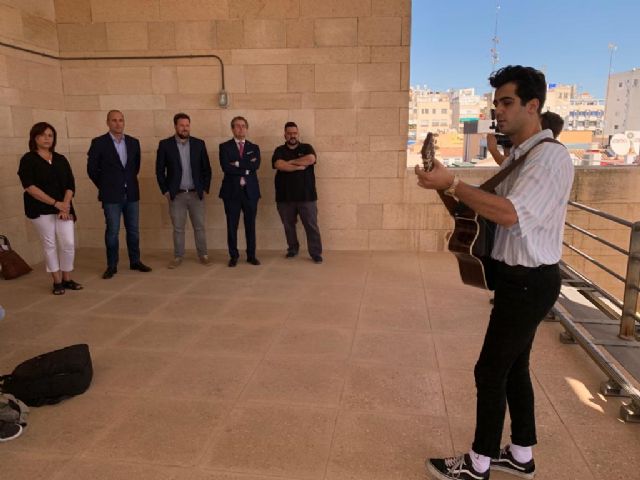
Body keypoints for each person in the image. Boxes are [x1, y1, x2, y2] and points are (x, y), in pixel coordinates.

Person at [416, 65, 574, 480]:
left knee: (489, 370)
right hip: (516, 278)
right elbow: (478, 209)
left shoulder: (549, 158)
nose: (497, 111)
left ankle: (478, 463)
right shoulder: (522, 156)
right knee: (514, 367)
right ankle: (520, 455)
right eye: (496, 104)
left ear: (533, 106)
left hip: (529, 281)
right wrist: (442, 185)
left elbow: (508, 214)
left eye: (507, 102)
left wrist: (454, 183)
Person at [17, 122, 83, 295]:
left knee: (68, 243)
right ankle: (57, 281)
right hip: (40, 209)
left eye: (50, 135)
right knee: (50, 244)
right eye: (43, 135)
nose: (47, 138)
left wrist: (64, 205)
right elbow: (30, 187)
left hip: (64, 209)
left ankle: (67, 278)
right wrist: (55, 203)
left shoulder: (61, 159)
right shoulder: (28, 159)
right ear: (34, 138)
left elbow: (70, 184)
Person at [87, 110, 152, 279]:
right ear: (108, 122)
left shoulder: (133, 142)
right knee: (112, 231)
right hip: (111, 196)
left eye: (121, 120)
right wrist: (105, 186)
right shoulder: (99, 143)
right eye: (114, 120)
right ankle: (112, 265)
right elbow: (92, 169)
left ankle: (135, 261)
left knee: (133, 230)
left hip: (131, 194)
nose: (118, 123)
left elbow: (135, 167)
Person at [156, 113, 212, 268]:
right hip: (176, 195)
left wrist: (205, 189)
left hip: (196, 194)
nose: (185, 128)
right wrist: (165, 191)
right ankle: (178, 256)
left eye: (187, 125)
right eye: (181, 125)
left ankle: (203, 254)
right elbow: (159, 171)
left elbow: (207, 169)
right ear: (175, 126)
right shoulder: (165, 145)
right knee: (178, 228)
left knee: (199, 227)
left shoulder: (199, 144)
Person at [272, 121, 323, 263]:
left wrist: (289, 162)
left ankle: (315, 253)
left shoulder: (306, 147)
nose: (292, 136)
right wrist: (298, 166)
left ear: (298, 134)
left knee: (311, 225)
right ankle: (293, 249)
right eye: (289, 133)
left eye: (294, 133)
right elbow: (278, 164)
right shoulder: (279, 150)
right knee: (288, 226)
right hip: (284, 197)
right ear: (285, 135)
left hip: (307, 196)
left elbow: (311, 159)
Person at [218, 116, 261, 267]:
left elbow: (256, 166)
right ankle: (234, 256)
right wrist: (246, 168)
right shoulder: (224, 147)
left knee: (250, 225)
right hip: (231, 193)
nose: (240, 128)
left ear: (247, 128)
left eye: (243, 126)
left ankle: (251, 255)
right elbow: (226, 168)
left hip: (251, 192)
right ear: (232, 129)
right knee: (232, 225)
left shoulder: (254, 147)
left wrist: (236, 163)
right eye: (237, 126)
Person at [488, 110, 564, 165]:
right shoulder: (551, 149)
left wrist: (493, 150)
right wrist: (508, 147)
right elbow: (511, 164)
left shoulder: (541, 152)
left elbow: (511, 168)